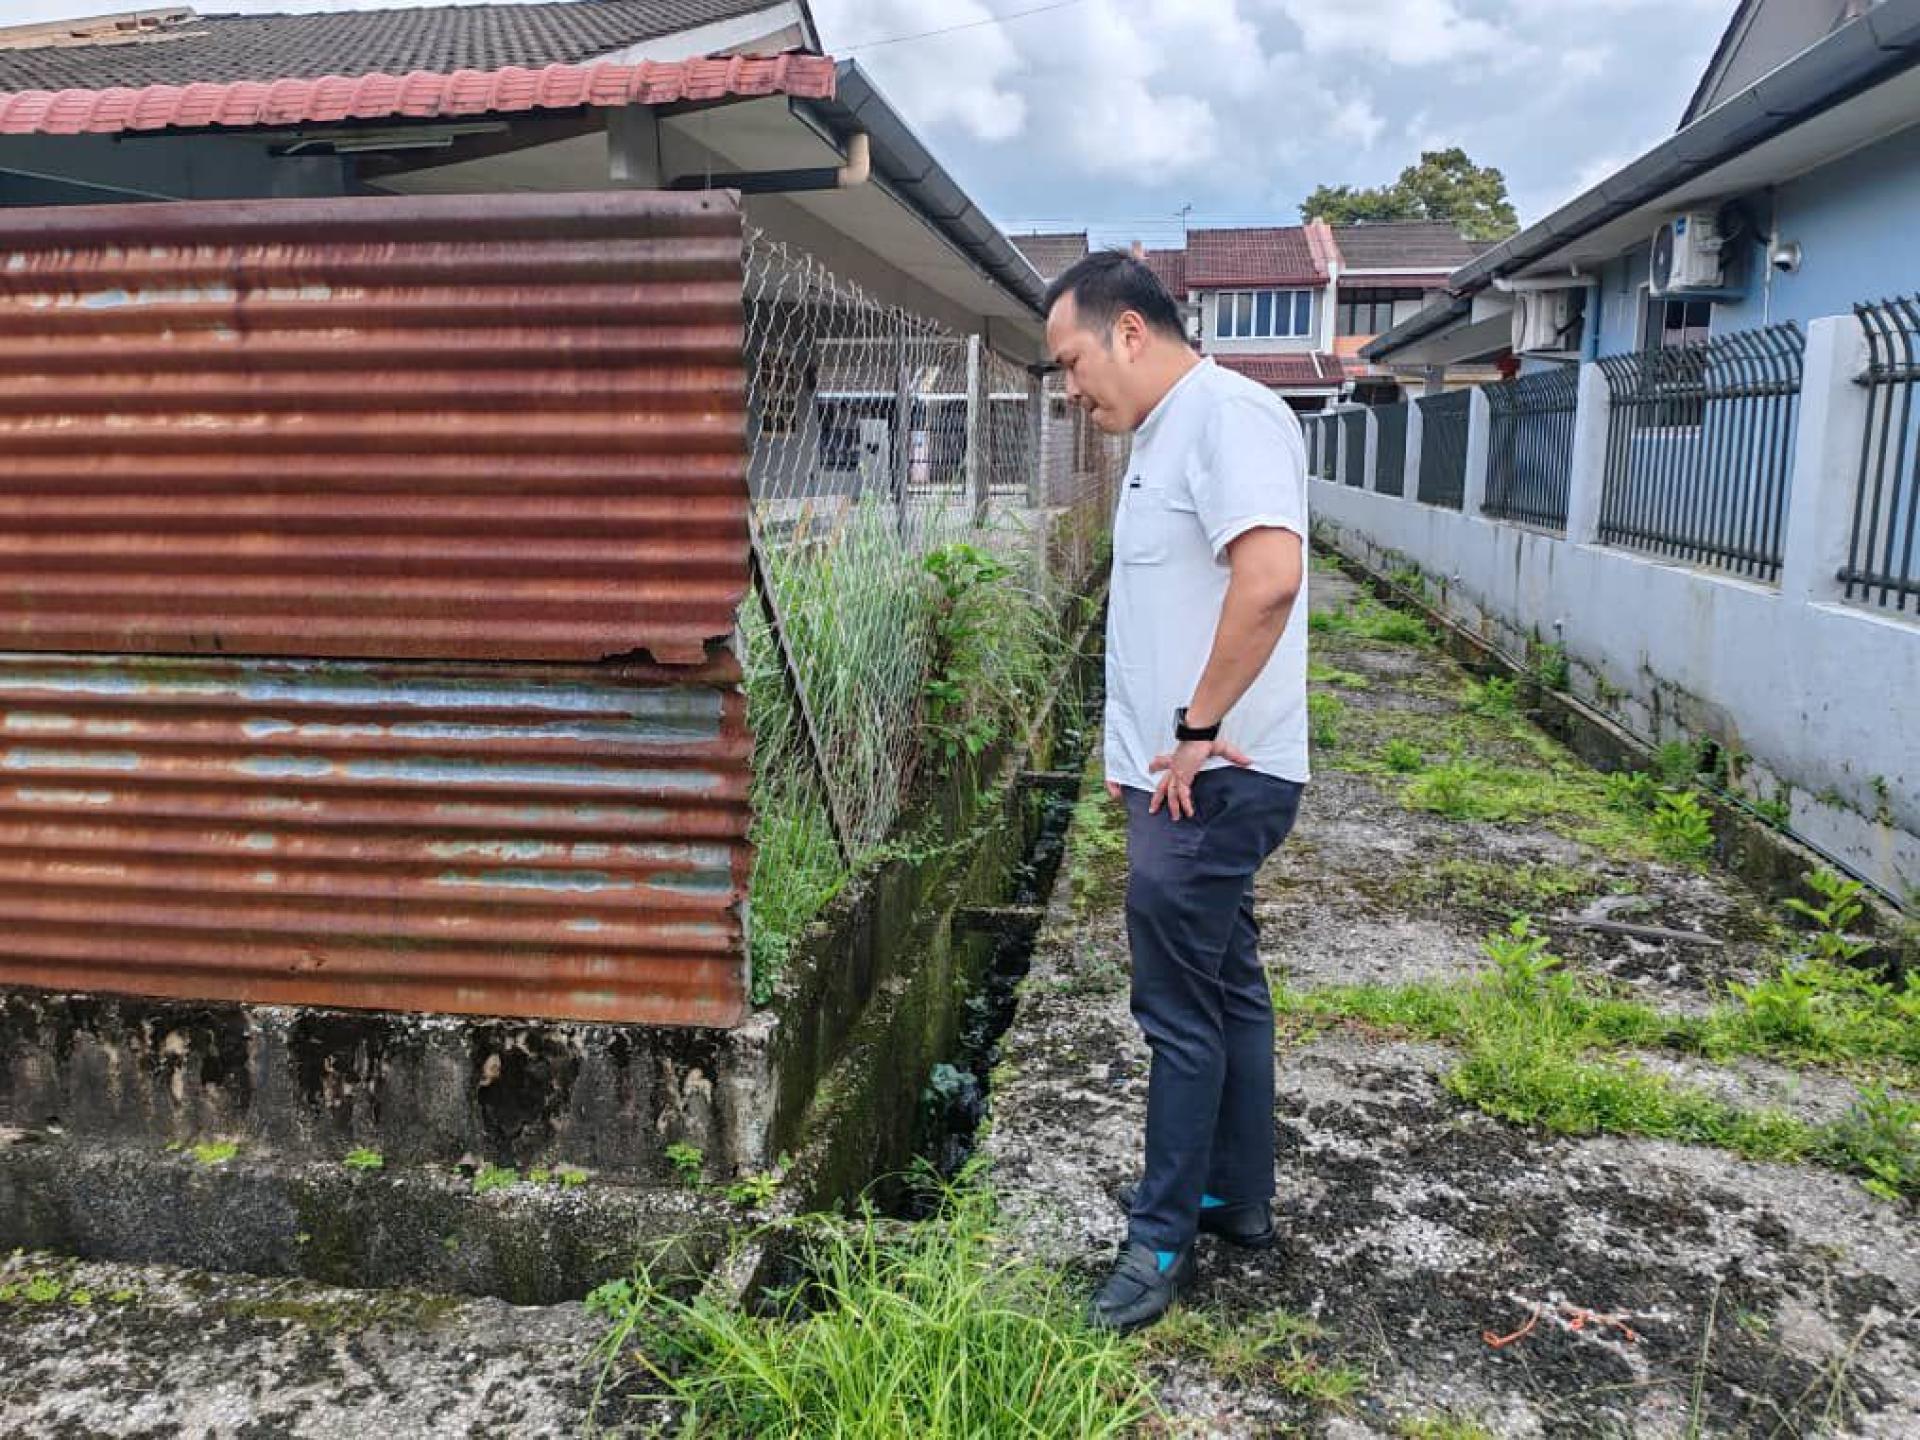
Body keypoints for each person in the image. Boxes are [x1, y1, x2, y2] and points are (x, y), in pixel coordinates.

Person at [1042, 251, 1310, 1334]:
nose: (1070, 388)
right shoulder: (1165, 437)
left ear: (1131, 334)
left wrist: (1196, 729)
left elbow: (1271, 576)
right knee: (1227, 992)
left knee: (1176, 1017)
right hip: (1186, 786)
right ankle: (1233, 1197)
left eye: (1070, 362)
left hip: (1203, 786)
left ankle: (1158, 1244)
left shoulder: (1224, 418)